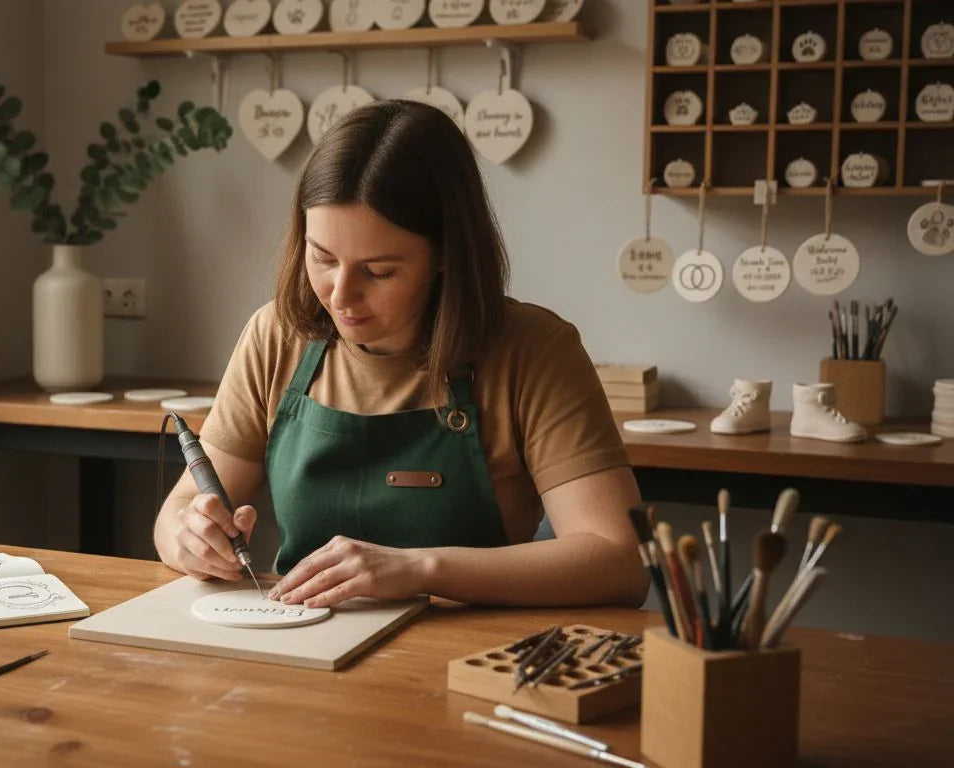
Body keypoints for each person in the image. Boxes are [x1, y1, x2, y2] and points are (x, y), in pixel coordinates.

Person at [154, 100, 647, 610]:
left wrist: (420, 569)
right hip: (301, 638)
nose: (340, 295)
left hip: (468, 645)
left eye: (379, 272)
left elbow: (621, 560)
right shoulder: (276, 336)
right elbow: (183, 508)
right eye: (322, 258)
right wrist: (187, 535)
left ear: (446, 255)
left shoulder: (533, 351)